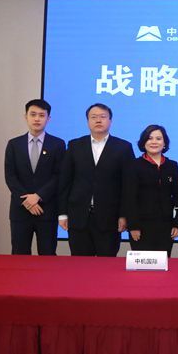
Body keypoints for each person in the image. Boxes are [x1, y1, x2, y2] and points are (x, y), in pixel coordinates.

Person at [58, 103, 135, 256]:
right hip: (78, 217)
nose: (98, 120)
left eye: (103, 117)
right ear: (87, 121)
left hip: (110, 219)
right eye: (93, 117)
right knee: (80, 264)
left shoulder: (123, 147)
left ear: (110, 121)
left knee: (107, 265)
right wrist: (62, 213)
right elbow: (65, 182)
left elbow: (128, 185)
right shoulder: (75, 145)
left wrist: (124, 215)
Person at [4, 99, 66, 255]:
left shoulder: (58, 144)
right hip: (20, 209)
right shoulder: (14, 144)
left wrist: (38, 196)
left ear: (48, 118)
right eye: (33, 114)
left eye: (41, 115)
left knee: (47, 255)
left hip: (47, 209)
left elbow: (59, 175)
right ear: (25, 116)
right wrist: (28, 201)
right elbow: (10, 176)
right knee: (19, 254)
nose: (37, 119)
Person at [123, 125, 178, 256]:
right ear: (143, 142)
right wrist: (133, 226)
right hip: (141, 226)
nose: (154, 142)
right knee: (143, 264)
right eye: (149, 138)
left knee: (163, 262)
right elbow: (129, 198)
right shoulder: (134, 165)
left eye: (158, 138)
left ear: (165, 143)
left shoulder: (172, 165)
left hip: (166, 225)